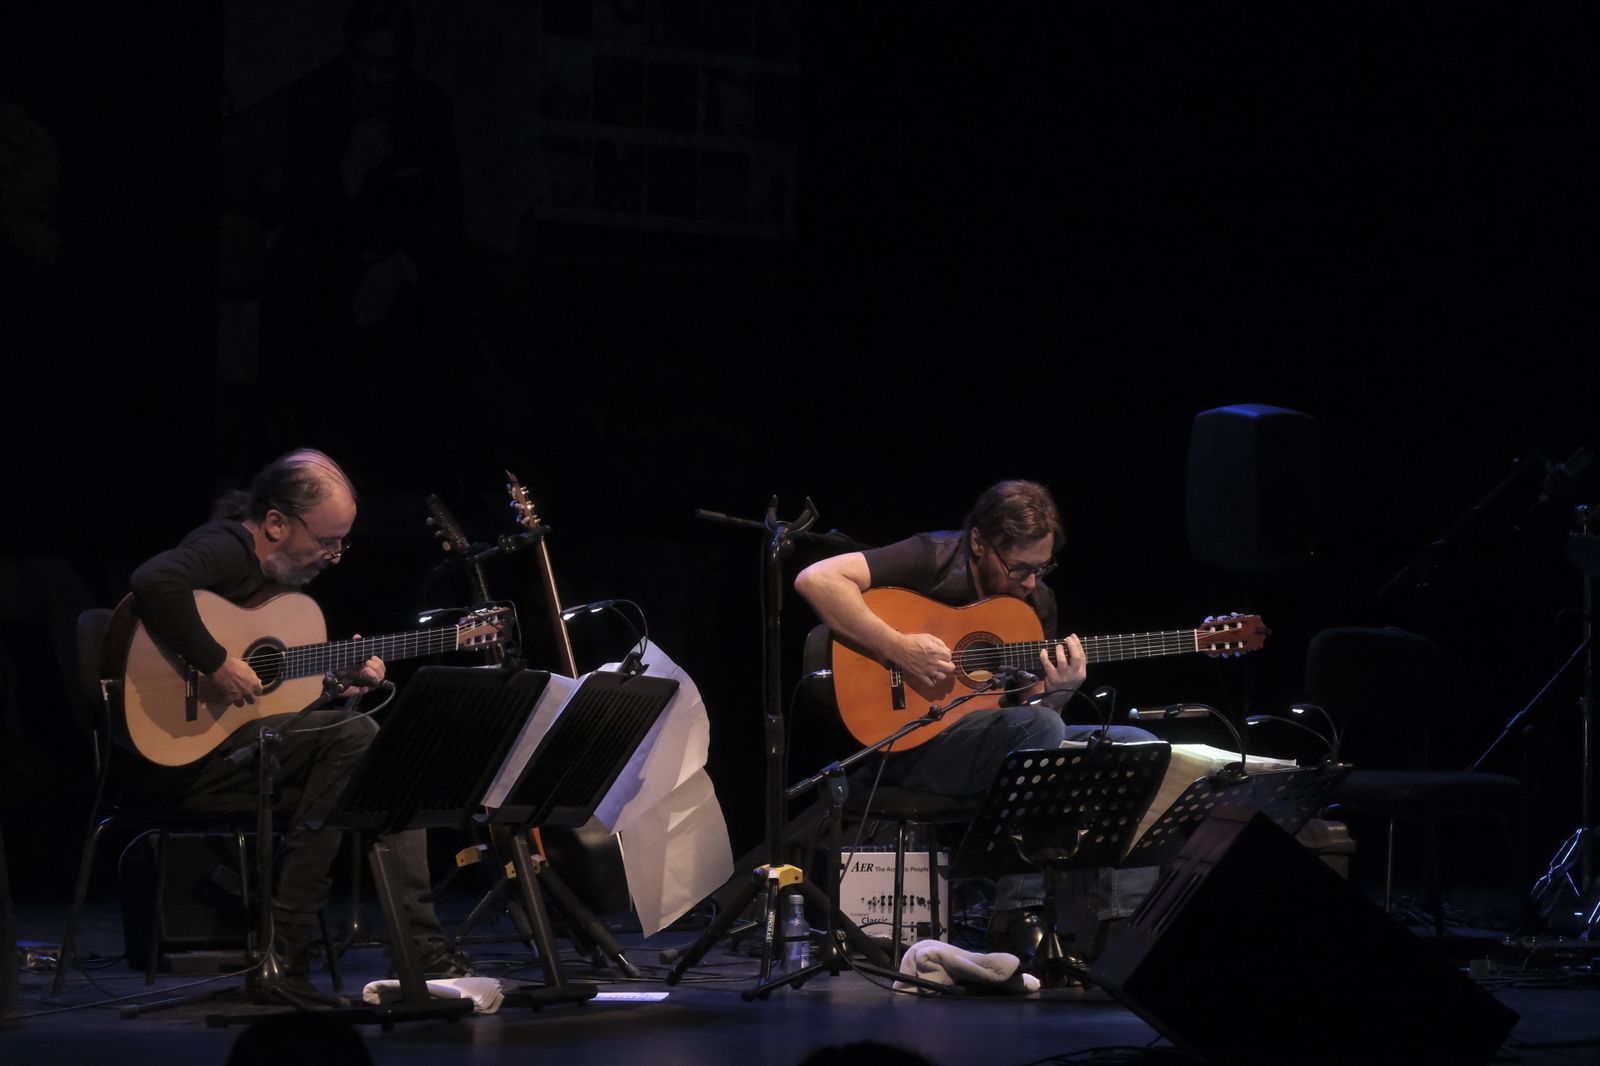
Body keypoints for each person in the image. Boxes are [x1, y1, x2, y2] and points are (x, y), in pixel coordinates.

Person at [125, 448, 471, 999]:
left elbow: (271, 695)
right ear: (276, 523)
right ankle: (287, 948)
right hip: (178, 757)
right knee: (357, 738)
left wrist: (338, 681)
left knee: (381, 755)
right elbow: (154, 578)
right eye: (327, 540)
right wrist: (214, 662)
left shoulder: (277, 589)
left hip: (238, 747)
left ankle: (416, 946)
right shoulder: (227, 546)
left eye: (342, 543)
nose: (334, 557)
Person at [794, 479, 1156, 967]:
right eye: (1020, 568)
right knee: (1039, 736)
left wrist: (1062, 691)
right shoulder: (934, 555)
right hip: (903, 746)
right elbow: (816, 578)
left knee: (1133, 746)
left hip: (982, 745)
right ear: (980, 543)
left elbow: (1032, 716)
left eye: (1041, 568)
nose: (1031, 582)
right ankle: (1017, 914)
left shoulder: (1035, 604)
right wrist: (897, 646)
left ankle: (1120, 927)